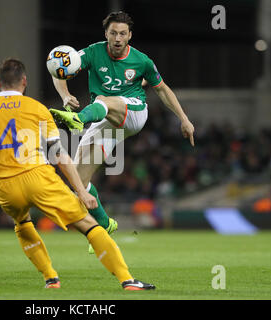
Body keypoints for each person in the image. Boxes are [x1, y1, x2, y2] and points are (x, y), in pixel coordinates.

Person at [0, 58, 155, 290]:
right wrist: (81, 192)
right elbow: (60, 156)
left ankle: (50, 278)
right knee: (87, 224)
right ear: (24, 81)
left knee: (22, 223)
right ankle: (127, 280)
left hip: (4, 187)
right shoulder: (37, 108)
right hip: (38, 177)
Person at [50, 11, 195, 253]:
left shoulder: (142, 61)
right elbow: (60, 70)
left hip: (134, 113)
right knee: (77, 182)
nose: (118, 38)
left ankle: (77, 120)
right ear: (106, 34)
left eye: (123, 33)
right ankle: (105, 224)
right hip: (106, 119)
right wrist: (65, 96)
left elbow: (163, 90)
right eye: (113, 33)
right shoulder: (93, 52)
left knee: (106, 100)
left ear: (129, 36)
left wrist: (184, 118)